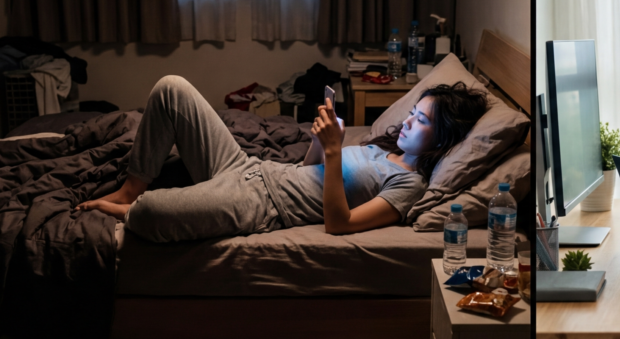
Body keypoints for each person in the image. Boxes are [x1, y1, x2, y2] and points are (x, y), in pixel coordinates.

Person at [76, 75, 489, 242]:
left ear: (443, 141)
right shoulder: (382, 148)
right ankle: (131, 188)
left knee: (150, 214)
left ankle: (132, 206)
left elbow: (338, 223)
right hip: (251, 169)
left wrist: (332, 151)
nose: (406, 123)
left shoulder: (408, 186)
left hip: (262, 204)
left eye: (419, 121)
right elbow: (309, 171)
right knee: (172, 88)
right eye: (411, 114)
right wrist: (321, 140)